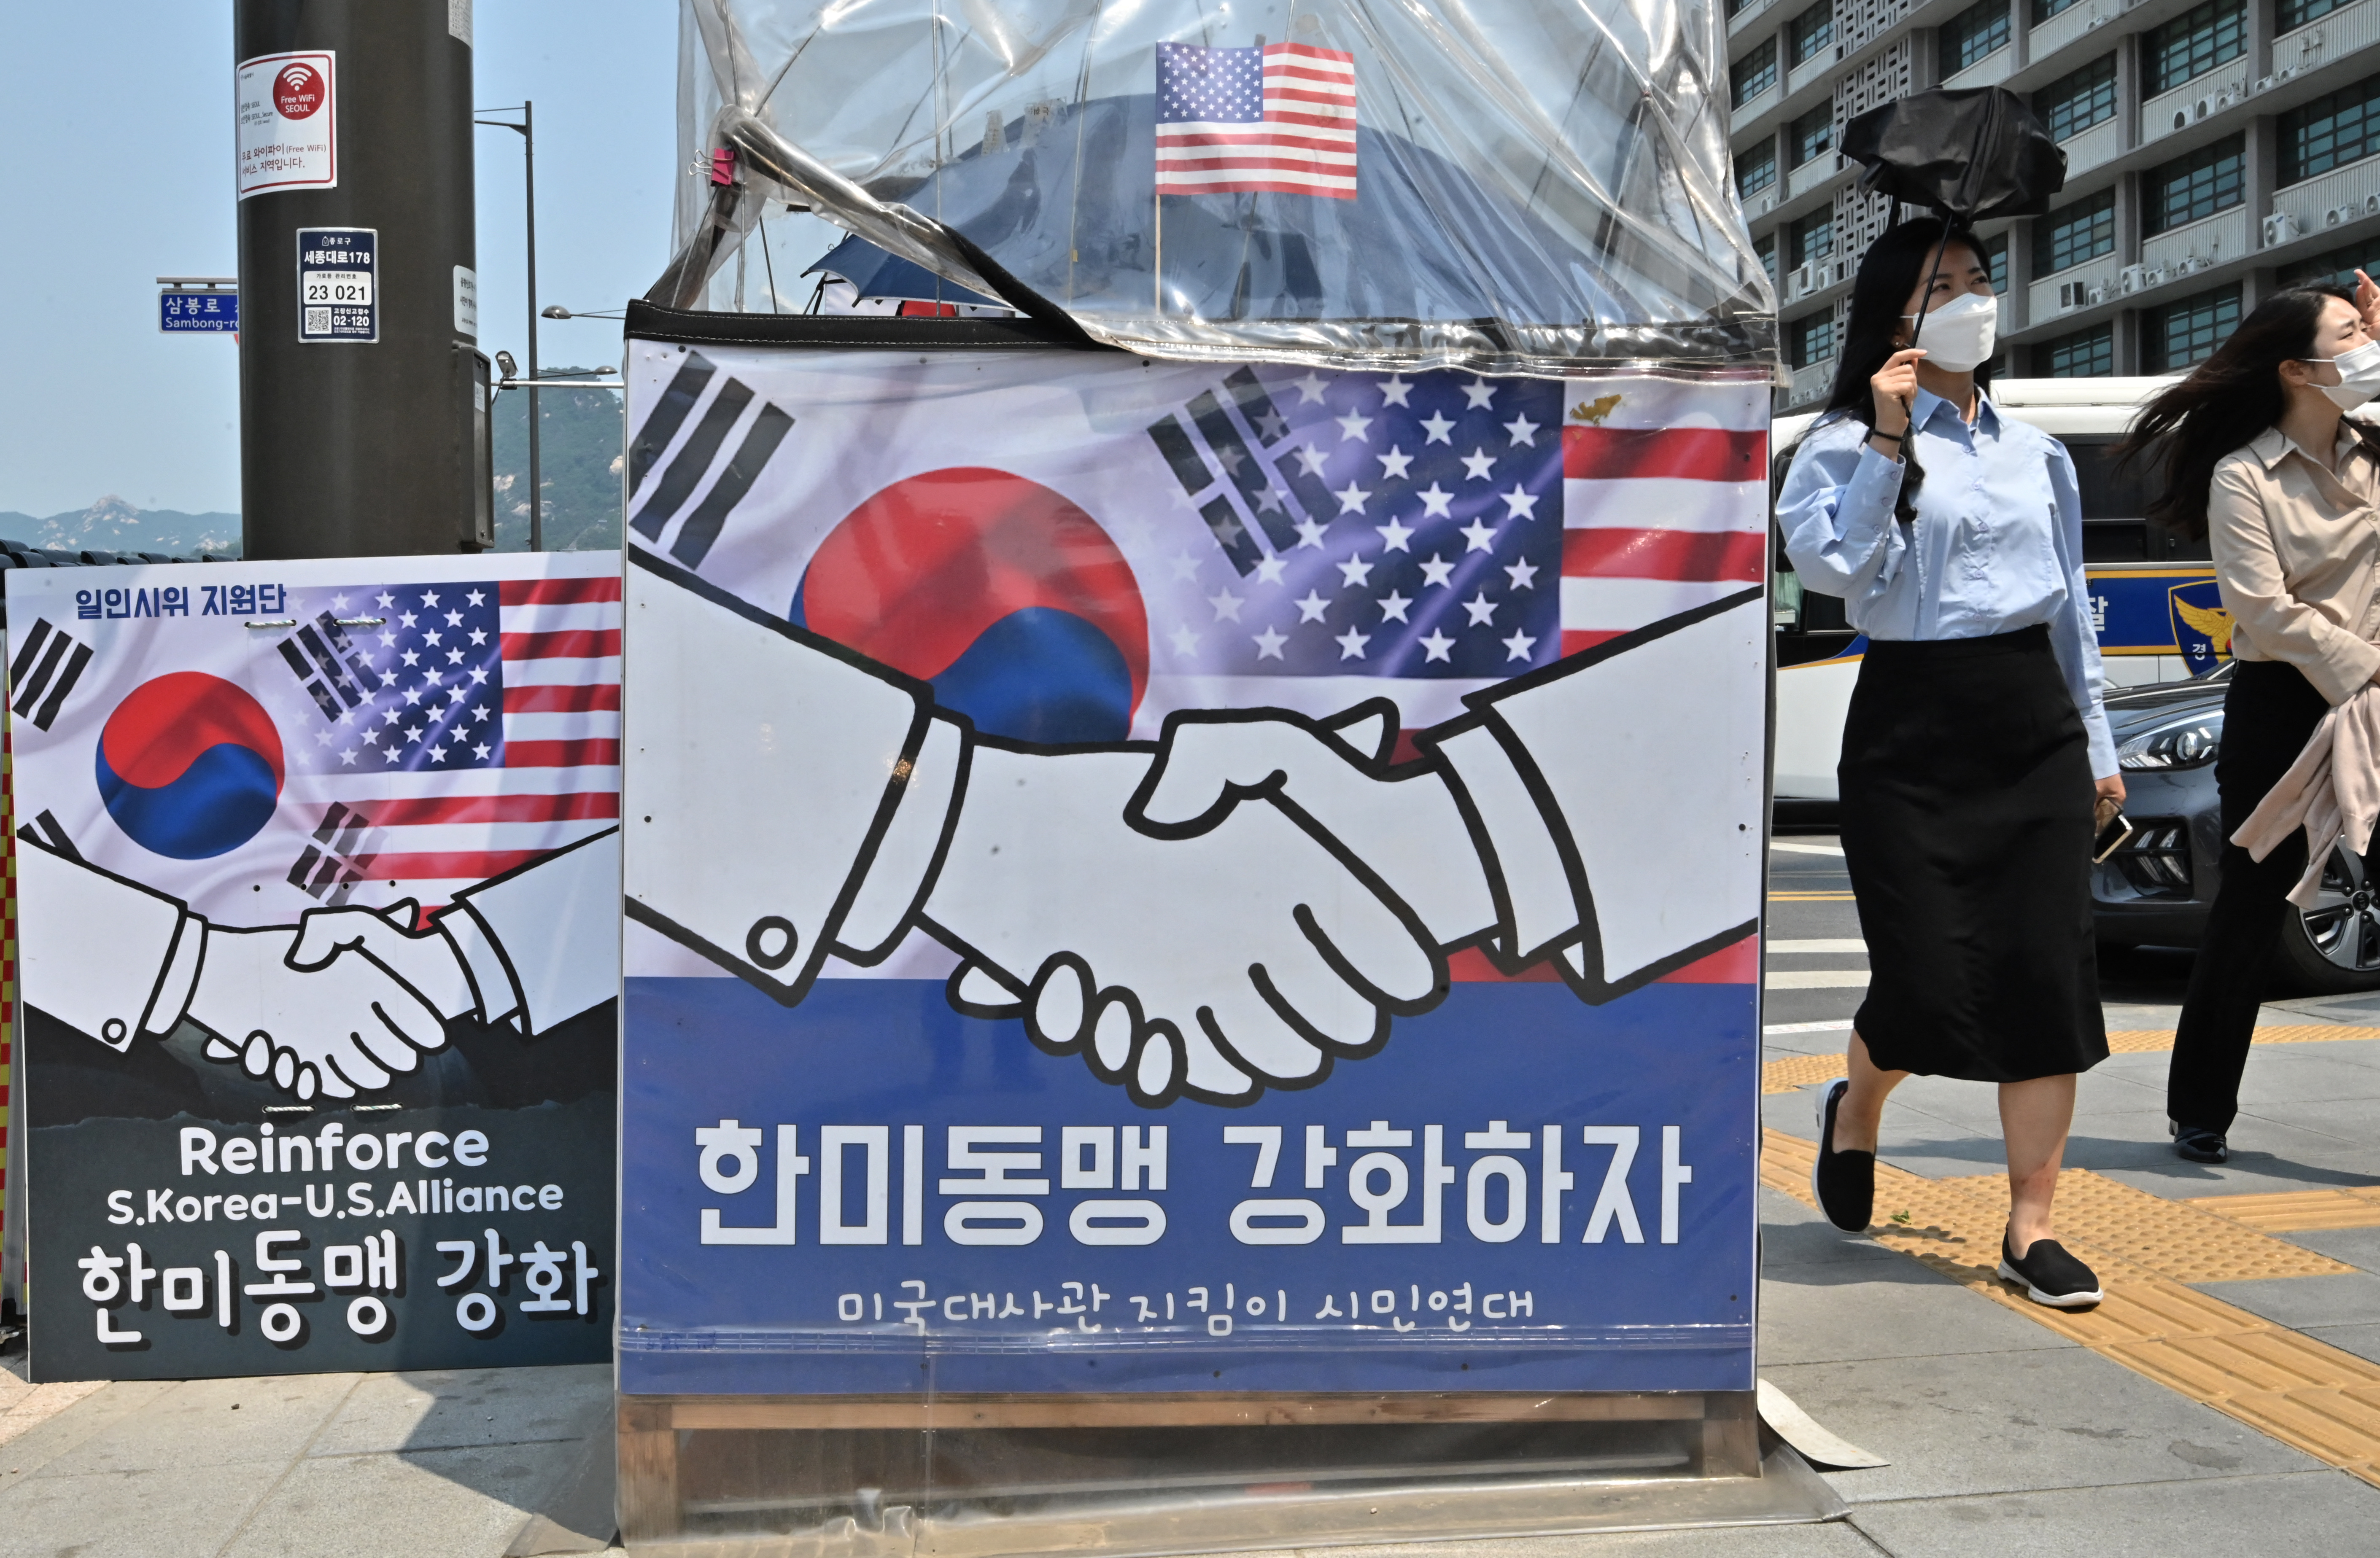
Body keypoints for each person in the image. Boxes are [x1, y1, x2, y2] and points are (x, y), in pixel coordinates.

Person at [1778, 218, 2124, 1309]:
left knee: (2042, 970)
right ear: (1895, 316)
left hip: (2031, 720)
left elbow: (2071, 615)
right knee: (1923, 975)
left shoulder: (2039, 455)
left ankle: (2030, 1229)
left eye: (1979, 278)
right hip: (1910, 721)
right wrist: (1888, 443)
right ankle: (1856, 1109)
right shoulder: (1836, 443)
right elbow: (1835, 572)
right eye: (1944, 285)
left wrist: (2099, 748)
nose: (1974, 298)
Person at [2121, 278, 2380, 1164]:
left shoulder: (2374, 450)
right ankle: (2198, 1109)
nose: (2362, 348)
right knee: (2246, 908)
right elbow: (2259, 611)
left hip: (2377, 707)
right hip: (2285, 707)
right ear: (2297, 370)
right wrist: (2364, 663)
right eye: (2348, 336)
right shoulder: (2243, 474)